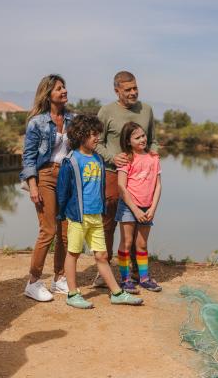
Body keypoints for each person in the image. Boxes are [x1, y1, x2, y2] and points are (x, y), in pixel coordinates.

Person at [56, 115, 143, 309]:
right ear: (81, 135)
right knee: (73, 253)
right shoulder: (71, 161)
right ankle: (72, 294)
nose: (97, 138)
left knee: (102, 256)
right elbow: (62, 191)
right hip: (78, 217)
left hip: (96, 215)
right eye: (94, 135)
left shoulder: (97, 158)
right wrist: (62, 213)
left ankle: (117, 293)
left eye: (98, 134)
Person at [95, 71, 159, 287]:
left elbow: (154, 141)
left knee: (138, 222)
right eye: (128, 89)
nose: (133, 93)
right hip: (114, 174)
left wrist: (152, 161)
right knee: (109, 223)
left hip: (142, 178)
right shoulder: (106, 111)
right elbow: (95, 142)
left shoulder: (147, 110)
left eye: (135, 88)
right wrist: (112, 157)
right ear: (117, 91)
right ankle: (103, 271)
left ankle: (135, 273)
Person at [20, 74, 73, 302]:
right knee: (48, 230)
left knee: (65, 232)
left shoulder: (73, 119)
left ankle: (59, 278)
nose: (64, 91)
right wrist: (33, 186)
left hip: (67, 176)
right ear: (48, 93)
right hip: (45, 176)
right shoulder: (37, 122)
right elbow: (29, 157)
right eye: (59, 88)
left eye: (64, 87)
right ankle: (33, 282)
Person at [115, 122, 162, 294]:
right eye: (137, 137)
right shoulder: (125, 158)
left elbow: (158, 186)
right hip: (129, 207)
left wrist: (152, 208)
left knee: (141, 244)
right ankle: (125, 279)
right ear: (128, 141)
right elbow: (121, 187)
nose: (142, 139)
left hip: (147, 207)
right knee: (126, 243)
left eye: (143, 135)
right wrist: (135, 209)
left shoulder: (153, 157)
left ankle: (143, 278)